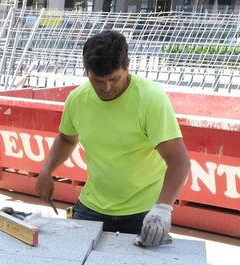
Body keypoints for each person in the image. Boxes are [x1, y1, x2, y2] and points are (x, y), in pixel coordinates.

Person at [34, 30, 191, 247]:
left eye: (113, 79)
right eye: (98, 81)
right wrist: (46, 170)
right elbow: (67, 138)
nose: (106, 88)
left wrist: (162, 209)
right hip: (92, 206)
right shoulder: (78, 99)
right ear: (86, 71)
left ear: (127, 65)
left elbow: (179, 161)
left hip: (143, 212)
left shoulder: (150, 98)